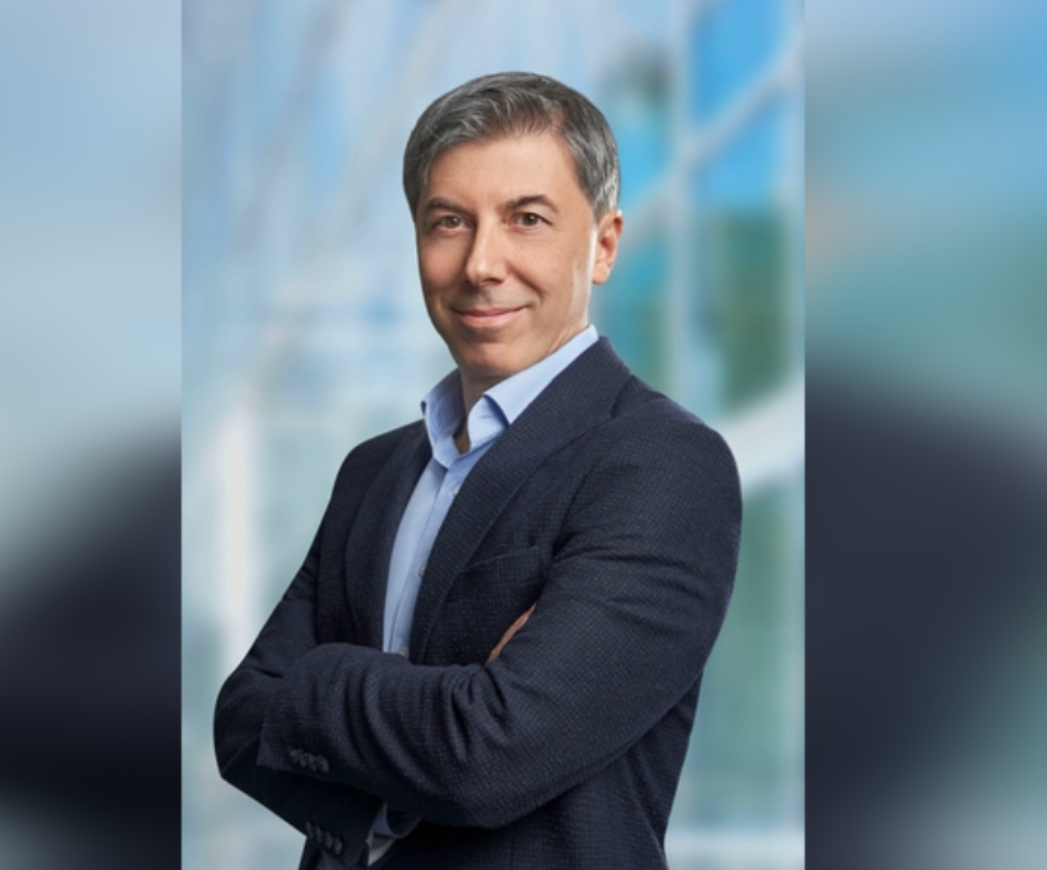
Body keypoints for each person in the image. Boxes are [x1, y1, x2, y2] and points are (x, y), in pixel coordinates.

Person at [214, 71, 742, 870]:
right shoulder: (372, 470)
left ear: (603, 245)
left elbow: (489, 755)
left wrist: (313, 681)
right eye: (449, 222)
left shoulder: (663, 464)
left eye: (527, 219)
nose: (481, 264)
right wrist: (442, 709)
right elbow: (239, 722)